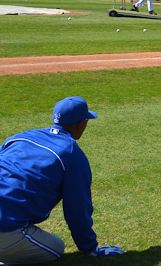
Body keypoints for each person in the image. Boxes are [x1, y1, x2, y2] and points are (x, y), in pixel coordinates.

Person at [0, 97, 125, 263]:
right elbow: (77, 209)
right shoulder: (71, 154)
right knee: (56, 247)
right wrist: (89, 248)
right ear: (81, 125)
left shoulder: (20, 137)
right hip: (5, 229)